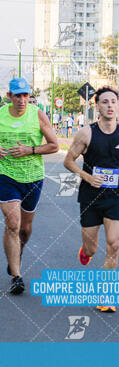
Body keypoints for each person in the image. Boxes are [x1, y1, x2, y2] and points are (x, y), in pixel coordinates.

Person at [64, 86, 119, 313]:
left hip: (114, 197)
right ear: (97, 106)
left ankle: (106, 294)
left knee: (114, 244)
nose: (109, 106)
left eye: (113, 102)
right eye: (105, 102)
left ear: (118, 106)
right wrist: (87, 176)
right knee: (91, 249)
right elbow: (68, 161)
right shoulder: (86, 133)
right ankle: (85, 251)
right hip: (90, 197)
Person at [0, 78, 58, 294]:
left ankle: (17, 253)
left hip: (33, 176)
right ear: (9, 96)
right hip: (5, 175)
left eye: (25, 95)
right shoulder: (1, 115)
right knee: (12, 223)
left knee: (24, 229)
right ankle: (17, 275)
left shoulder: (37, 114)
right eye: (17, 95)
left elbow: (53, 145)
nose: (22, 100)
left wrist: (30, 150)